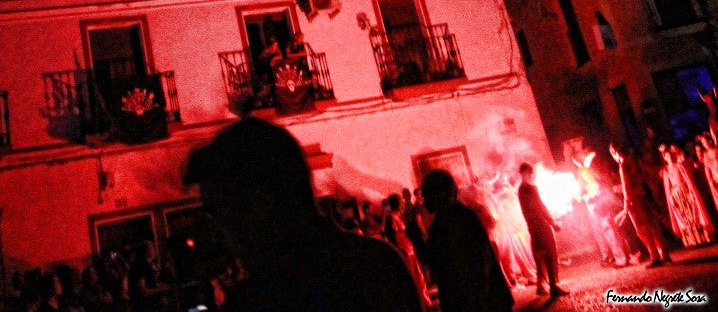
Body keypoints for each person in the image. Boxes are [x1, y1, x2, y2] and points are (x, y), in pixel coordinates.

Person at [184, 116, 423, 311]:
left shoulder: (259, 301)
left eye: (219, 208)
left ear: (259, 199)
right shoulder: (378, 264)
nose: (217, 228)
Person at [422, 168, 514, 312]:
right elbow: (436, 260)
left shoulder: (459, 218)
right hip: (466, 298)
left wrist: (479, 300)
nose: (424, 201)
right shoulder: (442, 220)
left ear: (440, 194)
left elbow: (477, 262)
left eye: (427, 194)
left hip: (478, 300)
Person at [609, 144, 667, 266]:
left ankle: (655, 256)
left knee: (642, 229)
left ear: (616, 152)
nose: (613, 156)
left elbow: (626, 185)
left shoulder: (623, 164)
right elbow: (643, 176)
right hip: (644, 195)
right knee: (652, 225)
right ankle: (664, 253)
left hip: (634, 200)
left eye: (613, 153)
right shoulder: (634, 160)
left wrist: (626, 203)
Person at [517, 163, 567, 299]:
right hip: (540, 224)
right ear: (525, 172)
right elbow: (539, 206)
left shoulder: (520, 190)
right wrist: (552, 222)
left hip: (532, 226)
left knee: (539, 255)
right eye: (530, 172)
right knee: (549, 254)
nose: (532, 174)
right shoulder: (530, 188)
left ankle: (541, 286)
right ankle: (553, 287)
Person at [659, 144, 715, 247]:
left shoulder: (679, 166)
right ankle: (691, 240)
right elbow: (668, 186)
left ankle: (701, 238)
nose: (670, 158)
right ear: (664, 158)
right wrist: (671, 197)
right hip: (676, 194)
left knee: (692, 214)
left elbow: (687, 180)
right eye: (667, 156)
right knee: (684, 217)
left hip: (685, 191)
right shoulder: (666, 170)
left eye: (671, 155)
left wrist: (691, 192)